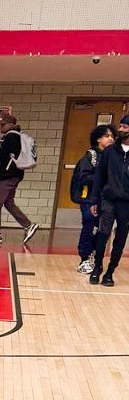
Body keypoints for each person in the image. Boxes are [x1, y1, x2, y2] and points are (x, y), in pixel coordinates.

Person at [89, 114, 129, 288]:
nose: (120, 130)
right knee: (103, 233)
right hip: (108, 199)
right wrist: (94, 200)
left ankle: (110, 272)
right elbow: (99, 177)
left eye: (124, 127)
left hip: (126, 203)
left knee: (120, 238)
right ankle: (97, 267)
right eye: (120, 126)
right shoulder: (109, 151)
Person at [0, 114, 38, 246]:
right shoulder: (18, 135)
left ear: (11, 124)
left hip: (7, 175)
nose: (1, 127)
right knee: (8, 202)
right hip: (15, 175)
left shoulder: (10, 136)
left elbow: (2, 156)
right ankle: (28, 225)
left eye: (3, 124)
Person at [72, 124, 113, 273]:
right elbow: (83, 177)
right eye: (107, 136)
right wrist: (101, 178)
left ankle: (95, 254)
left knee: (103, 229)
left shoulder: (112, 156)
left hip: (106, 199)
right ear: (98, 139)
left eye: (112, 136)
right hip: (88, 198)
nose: (111, 139)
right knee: (89, 226)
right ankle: (84, 258)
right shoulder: (90, 156)